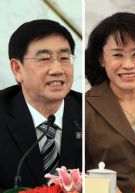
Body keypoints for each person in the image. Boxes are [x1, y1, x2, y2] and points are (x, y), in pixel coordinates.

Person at [85, 12, 135, 192]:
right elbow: (74, 173)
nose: (128, 65)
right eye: (118, 55)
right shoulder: (84, 107)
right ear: (101, 59)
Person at [0, 19, 81, 190]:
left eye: (64, 58)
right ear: (17, 69)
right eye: (44, 59)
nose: (57, 69)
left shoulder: (88, 111)